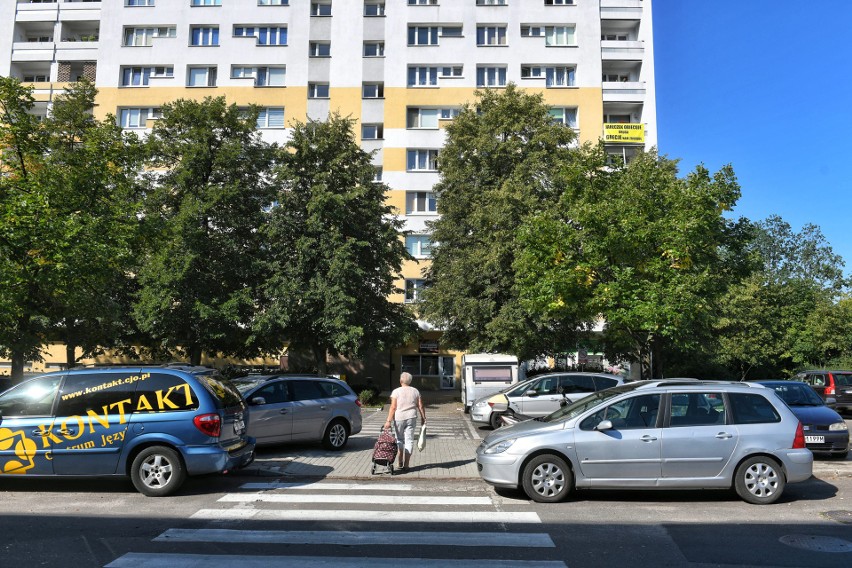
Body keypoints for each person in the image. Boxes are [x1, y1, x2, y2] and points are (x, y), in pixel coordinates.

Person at [384, 372, 426, 471]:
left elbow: (393, 407)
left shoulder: (396, 392)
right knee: (409, 440)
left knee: (399, 440)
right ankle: (406, 464)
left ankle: (399, 462)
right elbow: (420, 406)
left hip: (399, 418)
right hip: (411, 417)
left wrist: (388, 421)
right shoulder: (415, 391)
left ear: (400, 380)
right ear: (410, 381)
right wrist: (423, 418)